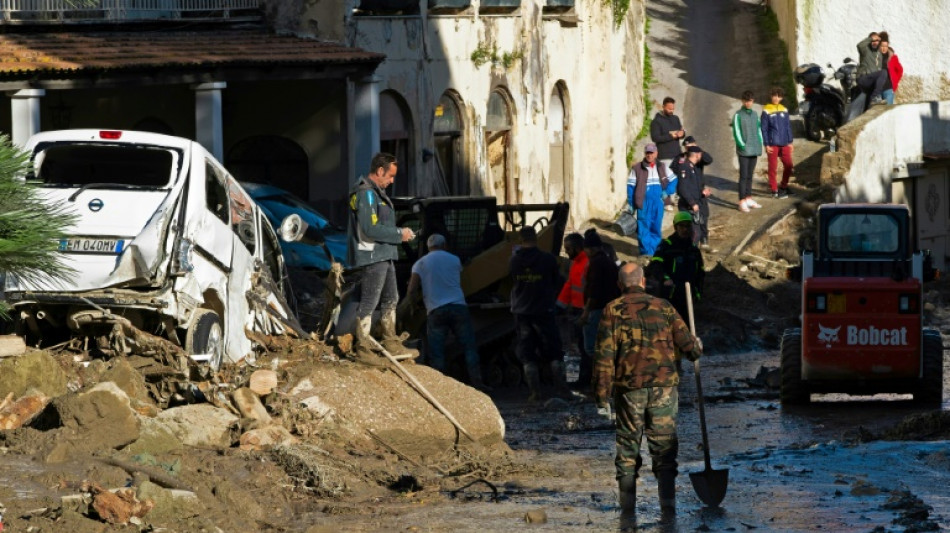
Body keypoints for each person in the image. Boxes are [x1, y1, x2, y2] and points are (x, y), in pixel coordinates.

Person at [593, 262, 702, 527]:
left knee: (628, 449)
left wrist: (601, 396)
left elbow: (604, 357)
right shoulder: (664, 306)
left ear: (621, 285)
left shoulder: (612, 310)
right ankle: (668, 510)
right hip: (664, 387)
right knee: (664, 450)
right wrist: (696, 348)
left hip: (630, 389)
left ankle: (627, 512)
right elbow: (689, 346)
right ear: (643, 282)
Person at [347, 152, 416, 362]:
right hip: (372, 256)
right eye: (390, 176)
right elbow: (370, 228)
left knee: (391, 298)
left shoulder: (375, 193)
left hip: (384, 254)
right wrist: (399, 234)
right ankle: (363, 347)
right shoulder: (366, 193)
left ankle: (390, 341)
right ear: (379, 171)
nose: (392, 180)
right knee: (370, 301)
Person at [407, 233, 490, 392]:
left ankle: (441, 390)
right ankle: (477, 383)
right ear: (445, 245)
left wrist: (413, 308)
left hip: (435, 311)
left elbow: (411, 291)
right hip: (458, 307)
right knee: (469, 347)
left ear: (428, 247)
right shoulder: (454, 259)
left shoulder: (420, 264)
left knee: (437, 353)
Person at [510, 226, 567, 402]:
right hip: (544, 309)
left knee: (527, 352)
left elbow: (512, 279)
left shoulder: (514, 261)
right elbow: (556, 280)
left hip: (522, 311)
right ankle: (562, 390)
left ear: (520, 240)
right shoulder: (547, 259)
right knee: (554, 350)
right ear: (536, 238)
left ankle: (535, 393)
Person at [649, 211, 705, 323]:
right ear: (675, 227)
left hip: (688, 296)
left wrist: (698, 293)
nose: (685, 229)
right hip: (670, 296)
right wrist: (665, 279)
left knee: (686, 326)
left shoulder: (694, 250)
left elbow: (700, 273)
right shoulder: (667, 246)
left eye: (687, 226)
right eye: (681, 226)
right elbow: (655, 266)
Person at [579, 229, 620, 379]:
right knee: (606, 345)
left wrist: (585, 312)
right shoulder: (609, 261)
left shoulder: (596, 264)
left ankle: (601, 380)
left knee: (593, 348)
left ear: (590, 248)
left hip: (597, 310)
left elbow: (593, 291)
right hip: (610, 309)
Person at [627, 143, 676, 257]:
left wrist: (667, 192)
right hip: (643, 204)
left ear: (656, 153)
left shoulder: (662, 167)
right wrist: (631, 203)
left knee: (656, 227)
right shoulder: (637, 168)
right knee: (644, 228)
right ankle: (645, 253)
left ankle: (655, 252)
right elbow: (630, 187)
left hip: (658, 203)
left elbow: (674, 180)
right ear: (645, 153)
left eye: (651, 153)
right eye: (647, 153)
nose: (649, 155)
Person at [556, 232, 590, 390]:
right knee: (578, 347)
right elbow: (570, 285)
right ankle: (579, 378)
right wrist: (560, 305)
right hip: (577, 309)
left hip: (586, 310)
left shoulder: (586, 263)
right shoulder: (575, 263)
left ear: (577, 247)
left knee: (584, 347)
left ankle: (585, 379)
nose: (566, 252)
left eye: (568, 249)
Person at [650, 97, 686, 211]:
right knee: (666, 179)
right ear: (663, 106)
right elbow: (655, 137)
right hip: (664, 154)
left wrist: (682, 134)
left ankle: (673, 197)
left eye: (673, 109)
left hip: (677, 153)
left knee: (677, 178)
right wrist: (671, 136)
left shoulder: (675, 119)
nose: (671, 111)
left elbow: (682, 132)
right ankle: (666, 202)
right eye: (669, 109)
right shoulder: (656, 122)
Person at [672, 145, 711, 247]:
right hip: (688, 205)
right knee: (693, 233)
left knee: (696, 231)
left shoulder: (694, 167)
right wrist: (692, 203)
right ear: (697, 155)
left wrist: (702, 191)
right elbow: (682, 188)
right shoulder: (685, 167)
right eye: (700, 154)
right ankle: (688, 252)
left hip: (696, 202)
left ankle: (691, 251)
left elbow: (693, 186)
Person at [731, 91, 763, 213]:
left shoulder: (755, 114)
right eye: (747, 100)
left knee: (750, 175)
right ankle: (742, 200)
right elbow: (736, 131)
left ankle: (749, 197)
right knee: (743, 176)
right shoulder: (738, 115)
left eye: (751, 100)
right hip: (744, 150)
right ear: (742, 101)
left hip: (754, 149)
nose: (749, 103)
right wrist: (742, 145)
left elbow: (758, 129)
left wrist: (760, 142)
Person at [761, 87, 795, 199]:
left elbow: (788, 127)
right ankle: (774, 190)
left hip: (785, 142)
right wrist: (766, 144)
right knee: (773, 168)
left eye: (778, 96)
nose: (776, 98)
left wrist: (790, 142)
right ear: (771, 96)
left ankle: (783, 186)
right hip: (772, 143)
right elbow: (764, 129)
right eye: (774, 95)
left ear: (781, 97)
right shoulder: (766, 110)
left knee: (789, 166)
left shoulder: (784, 110)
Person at [856, 31, 887, 106]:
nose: (875, 42)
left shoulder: (879, 53)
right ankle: (875, 97)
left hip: (871, 81)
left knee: (869, 105)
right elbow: (859, 45)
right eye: (873, 41)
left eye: (877, 41)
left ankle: (870, 104)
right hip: (863, 78)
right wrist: (871, 38)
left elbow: (887, 49)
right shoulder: (865, 50)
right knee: (883, 72)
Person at [879, 33, 904, 105]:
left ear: (888, 45)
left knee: (887, 111)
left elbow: (900, 70)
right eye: (882, 46)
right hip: (877, 90)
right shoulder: (875, 57)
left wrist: (895, 82)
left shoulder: (892, 57)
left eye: (886, 46)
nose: (884, 48)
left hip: (888, 89)